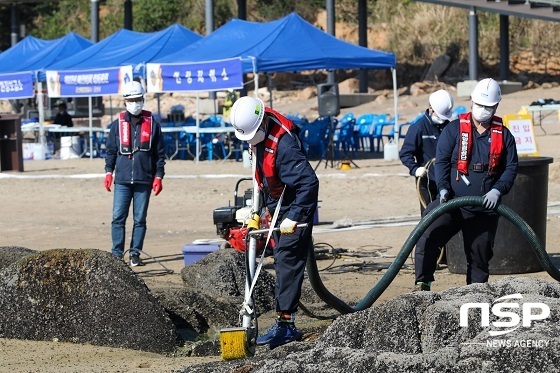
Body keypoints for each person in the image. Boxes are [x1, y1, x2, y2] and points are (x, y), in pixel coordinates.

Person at [229, 95, 319, 349]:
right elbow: (261, 175)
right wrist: (256, 212)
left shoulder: (286, 147)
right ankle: (282, 318)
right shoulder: (257, 134)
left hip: (294, 207)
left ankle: (287, 325)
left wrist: (294, 216)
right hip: (276, 203)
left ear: (261, 125)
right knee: (281, 258)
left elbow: (309, 183)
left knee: (287, 260)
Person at [413, 78, 518, 291]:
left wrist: (498, 191)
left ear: (496, 106)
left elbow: (511, 168)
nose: (483, 110)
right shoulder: (454, 130)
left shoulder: (504, 135)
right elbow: (441, 161)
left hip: (483, 208)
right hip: (450, 202)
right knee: (427, 234)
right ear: (471, 102)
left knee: (479, 257)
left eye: (489, 107)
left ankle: (474, 297)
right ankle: (422, 284)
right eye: (480, 105)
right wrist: (443, 188)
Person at [104, 80, 166, 267]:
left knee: (140, 219)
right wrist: (108, 172)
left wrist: (158, 176)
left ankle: (135, 253)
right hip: (122, 179)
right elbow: (111, 151)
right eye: (132, 100)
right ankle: (117, 254)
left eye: (139, 99)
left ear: (143, 99)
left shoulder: (153, 124)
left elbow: (160, 154)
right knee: (118, 217)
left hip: (144, 179)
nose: (135, 103)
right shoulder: (117, 125)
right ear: (125, 101)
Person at [400, 89, 454, 214]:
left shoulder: (449, 126)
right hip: (428, 181)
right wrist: (415, 169)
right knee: (429, 216)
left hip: (447, 179)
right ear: (431, 108)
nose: (442, 119)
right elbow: (405, 153)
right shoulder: (418, 128)